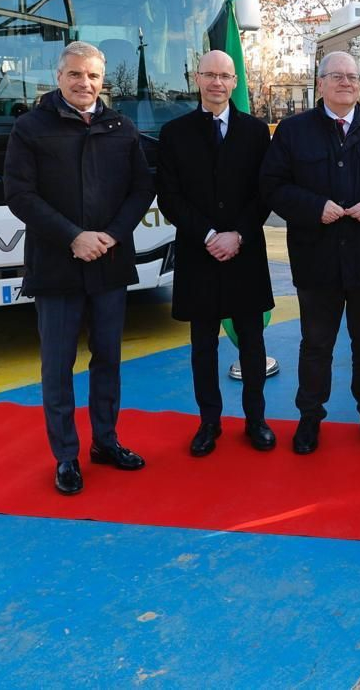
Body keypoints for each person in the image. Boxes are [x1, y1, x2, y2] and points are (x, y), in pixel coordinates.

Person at [3, 40, 154, 495]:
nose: (84, 83)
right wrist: (74, 236)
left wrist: (111, 235)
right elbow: (19, 194)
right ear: (59, 77)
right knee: (58, 365)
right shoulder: (30, 128)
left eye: (92, 76)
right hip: (57, 267)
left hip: (109, 263)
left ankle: (105, 442)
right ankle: (66, 456)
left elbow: (141, 189)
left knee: (108, 358)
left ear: (101, 81)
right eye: (75, 74)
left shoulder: (120, 127)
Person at [260, 50, 360, 455]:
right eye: (337, 76)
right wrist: (314, 207)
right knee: (316, 345)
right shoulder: (293, 132)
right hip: (317, 261)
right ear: (321, 82)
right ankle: (310, 417)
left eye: (353, 77)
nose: (346, 82)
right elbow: (272, 185)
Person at [155, 50, 277, 458]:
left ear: (235, 82)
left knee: (252, 341)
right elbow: (169, 196)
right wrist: (209, 234)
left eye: (225, 75)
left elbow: (265, 192)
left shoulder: (257, 133)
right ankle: (209, 422)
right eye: (209, 74)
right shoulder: (174, 133)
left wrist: (237, 235)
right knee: (202, 344)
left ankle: (256, 419)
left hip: (245, 253)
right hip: (198, 252)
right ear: (196, 78)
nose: (217, 83)